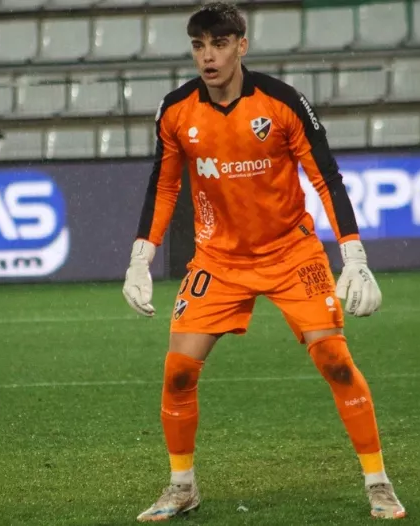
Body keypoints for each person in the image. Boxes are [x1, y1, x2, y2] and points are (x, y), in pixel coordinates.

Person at [121, 1, 405, 521]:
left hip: (291, 252)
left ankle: (378, 482)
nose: (208, 56)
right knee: (178, 372)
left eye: (220, 44)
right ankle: (182, 487)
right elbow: (163, 185)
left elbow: (326, 177)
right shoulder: (177, 110)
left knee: (335, 361)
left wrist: (354, 255)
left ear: (242, 46)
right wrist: (141, 257)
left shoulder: (282, 102)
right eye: (199, 46)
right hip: (218, 258)